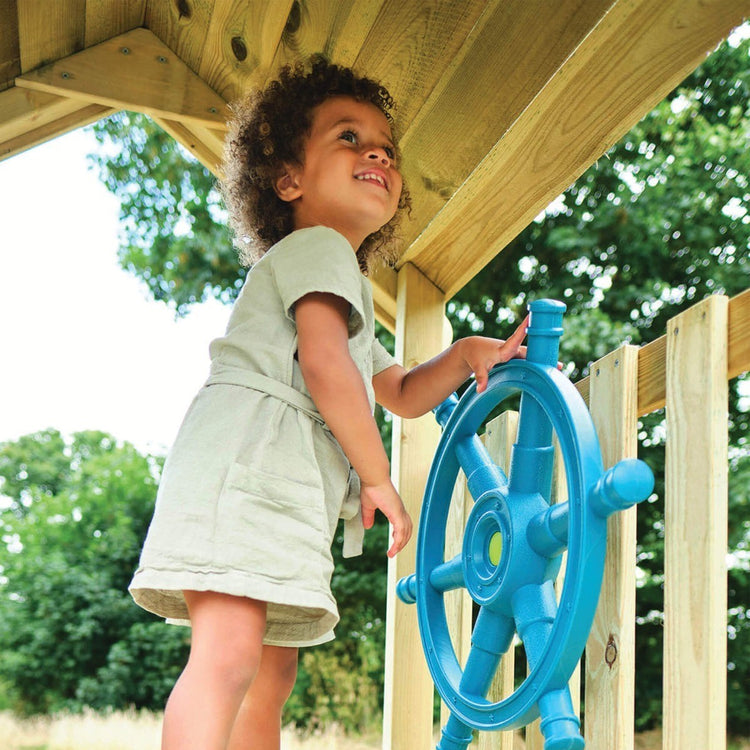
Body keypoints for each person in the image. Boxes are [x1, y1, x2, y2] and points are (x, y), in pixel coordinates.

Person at [129, 56, 528, 750]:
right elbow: (324, 364)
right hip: (248, 466)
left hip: (272, 482)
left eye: (386, 147)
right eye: (348, 137)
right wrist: (377, 476)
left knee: (268, 673)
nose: (376, 151)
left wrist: (463, 354)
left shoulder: (336, 285)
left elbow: (398, 391)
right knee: (229, 657)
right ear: (288, 179)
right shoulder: (315, 248)